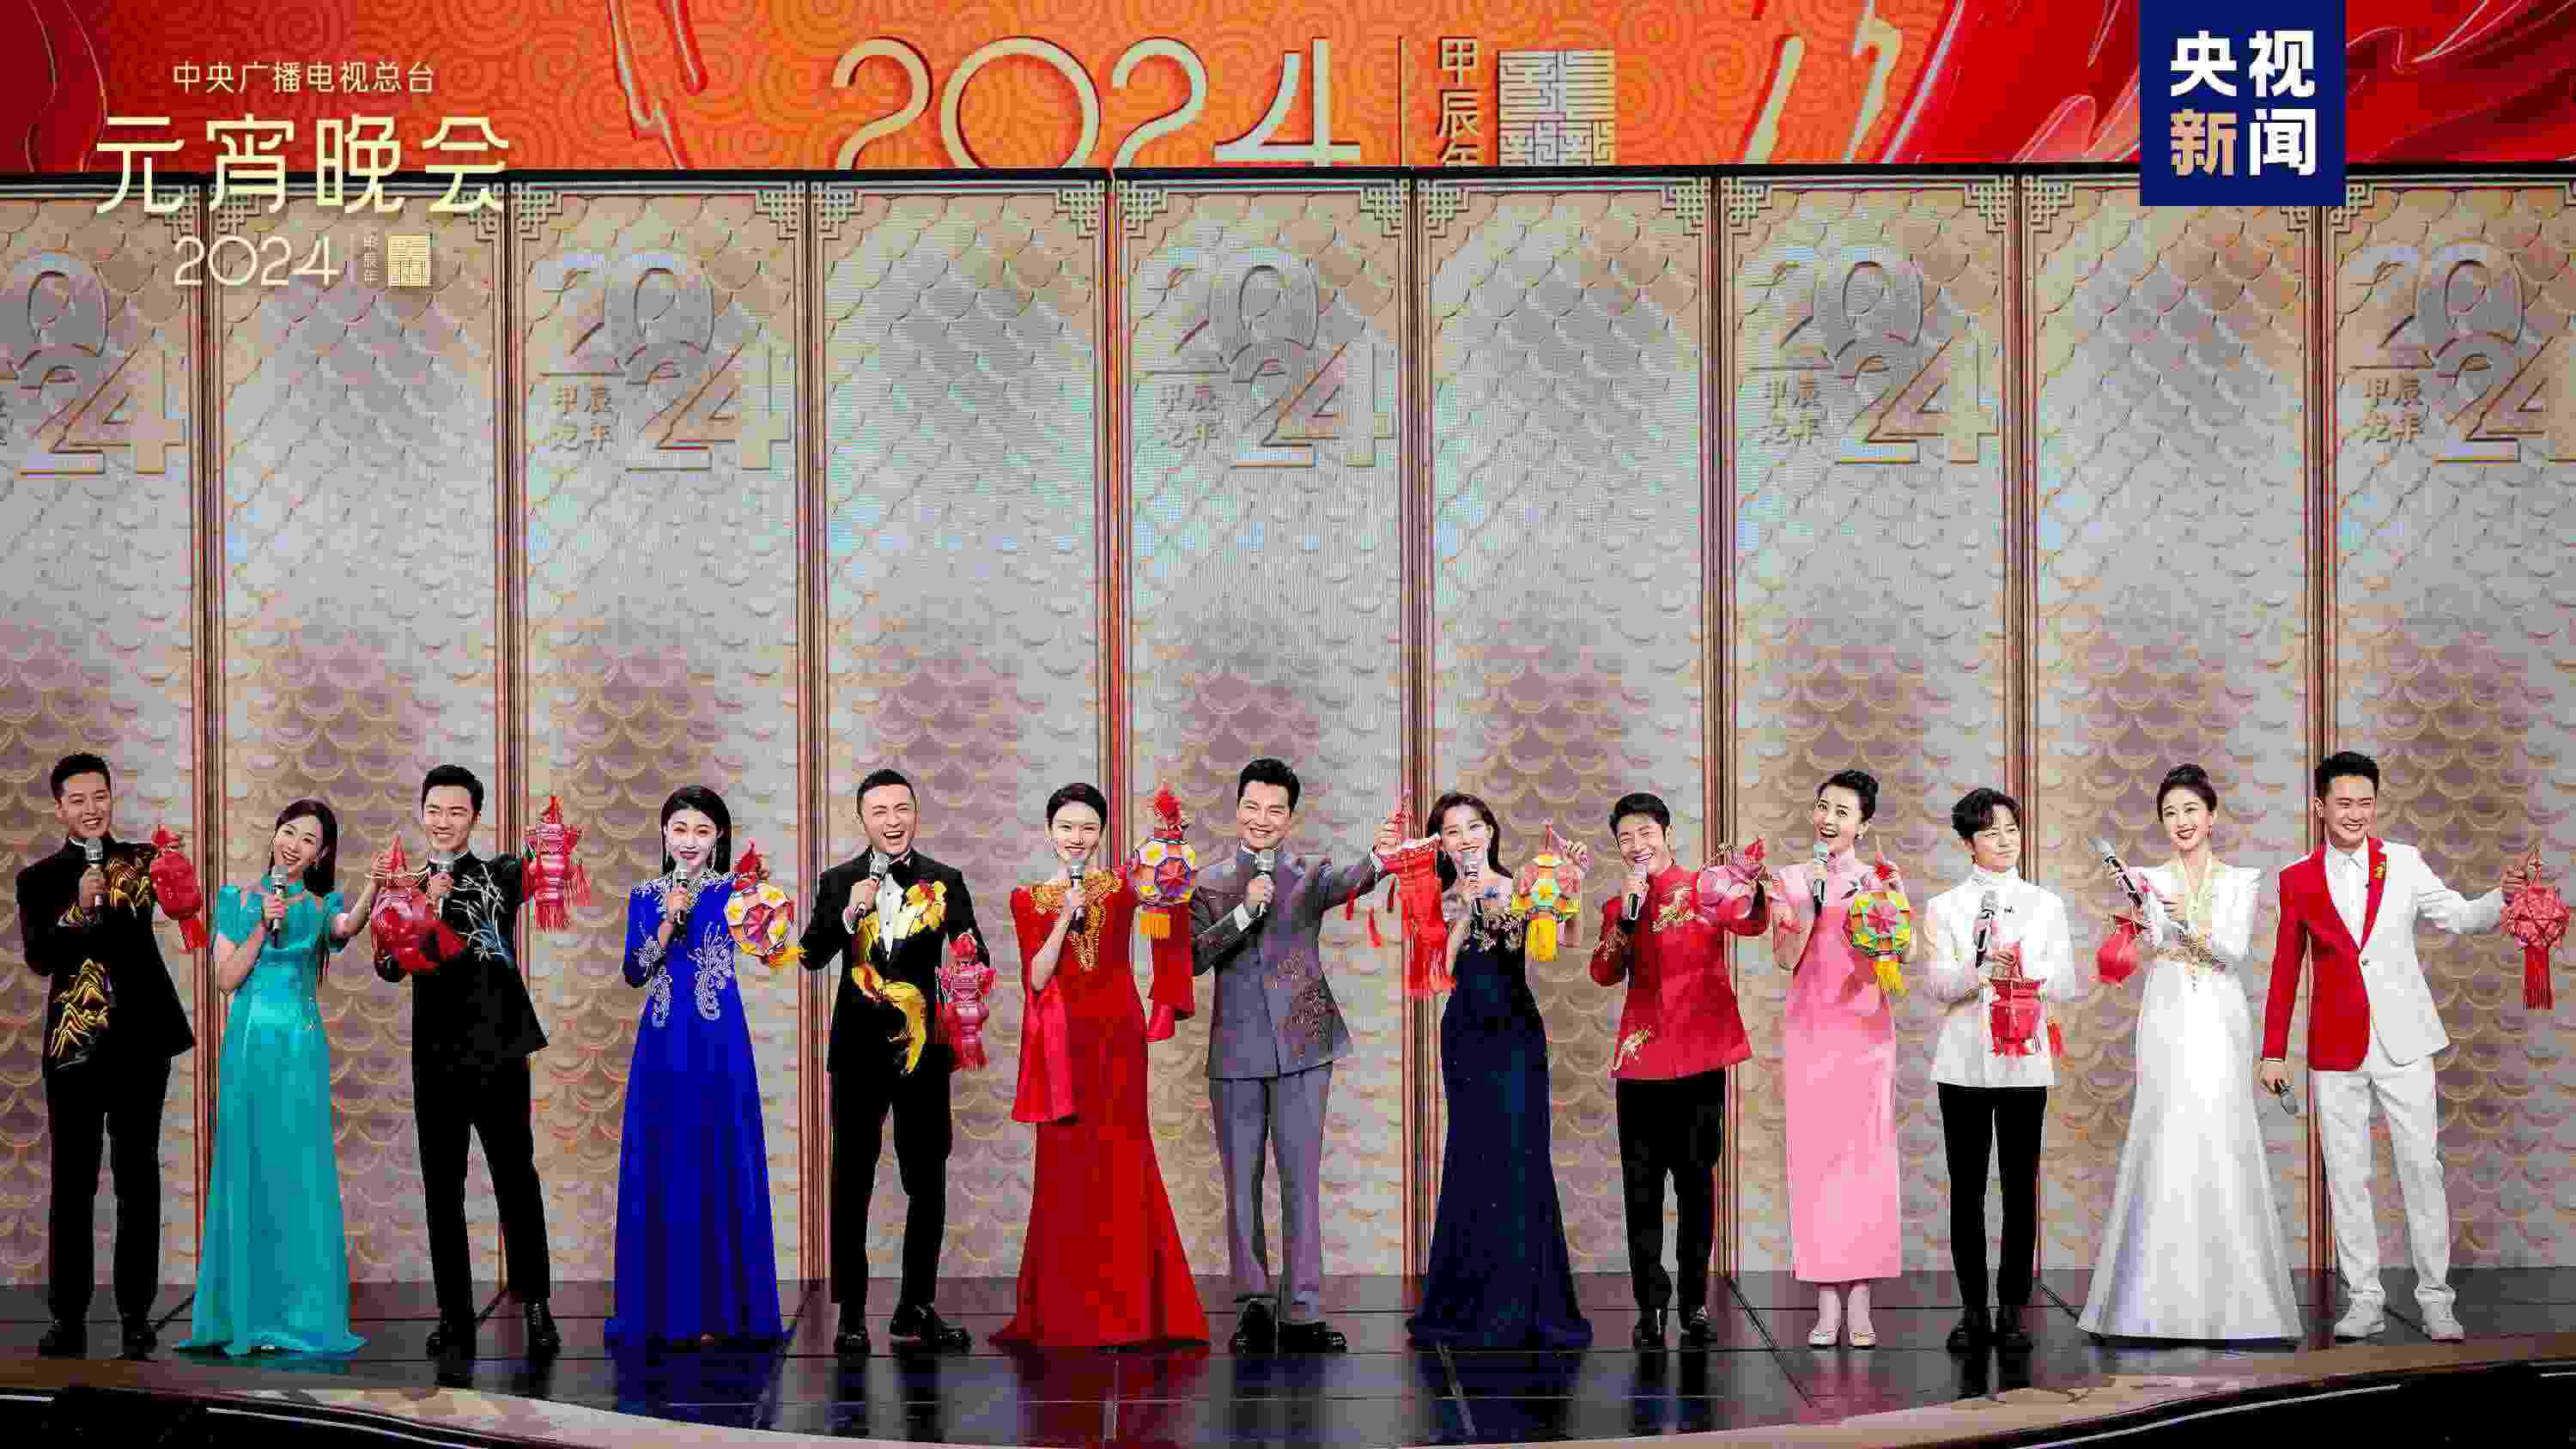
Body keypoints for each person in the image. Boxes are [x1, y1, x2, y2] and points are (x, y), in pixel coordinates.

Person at [2260, 750, 2535, 1343]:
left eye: (2365, 803)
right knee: (2347, 1175)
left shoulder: (2404, 863)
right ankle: (2365, 1299)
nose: (2355, 814)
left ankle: (2436, 1299)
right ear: (2319, 806)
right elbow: (2284, 971)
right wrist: (2273, 1050)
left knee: (2421, 1168)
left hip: (2405, 1040)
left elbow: (2460, 917)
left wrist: (2504, 896)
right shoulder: (2296, 878)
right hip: (2335, 1048)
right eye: (2343, 803)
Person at [2080, 765, 2300, 1342]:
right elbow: (2151, 946)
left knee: (2221, 1129)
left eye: (2190, 810)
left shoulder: (2241, 880)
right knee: (2166, 1129)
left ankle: (2240, 1305)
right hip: (2168, 1007)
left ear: (2212, 816)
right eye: (2170, 813)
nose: (2181, 821)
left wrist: (2183, 922)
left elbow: (2234, 950)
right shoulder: (2149, 877)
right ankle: (2149, 1304)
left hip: (2220, 1011)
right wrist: (2138, 924)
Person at [1189, 757, 1401, 1353]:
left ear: (1290, 818)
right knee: (1241, 1183)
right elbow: (1193, 957)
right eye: (1252, 807)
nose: (1262, 819)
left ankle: (1303, 1310)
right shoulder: (1208, 881)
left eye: (1275, 810)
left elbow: (1353, 879)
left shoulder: (1309, 875)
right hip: (1235, 1052)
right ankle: (1254, 1307)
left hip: (1305, 1048)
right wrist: (1242, 912)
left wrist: (1381, 857)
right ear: (1237, 809)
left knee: (1300, 1181)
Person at [992, 783, 1206, 1349]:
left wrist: (1169, 847)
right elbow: (1037, 977)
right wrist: (1065, 916)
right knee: (1066, 1171)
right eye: (1066, 827)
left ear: (1102, 833)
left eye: (1088, 827)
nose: (1077, 837)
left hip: (1118, 1040)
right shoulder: (1028, 899)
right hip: (1063, 1047)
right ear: (1049, 832)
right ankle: (1067, 1313)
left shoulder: (1122, 886)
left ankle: (1135, 1313)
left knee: (1122, 1160)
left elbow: (1167, 901)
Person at [796, 767, 982, 1355]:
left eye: (902, 809)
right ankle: (852, 1313)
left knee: (926, 1178)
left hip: (923, 1050)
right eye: (880, 811)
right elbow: (810, 955)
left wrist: (967, 969)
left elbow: (974, 956)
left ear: (915, 813)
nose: (893, 820)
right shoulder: (838, 880)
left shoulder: (947, 880)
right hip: (857, 1051)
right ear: (862, 819)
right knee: (852, 1179)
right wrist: (848, 914)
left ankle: (915, 1308)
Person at [374, 764, 558, 1358]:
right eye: (434, 810)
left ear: (475, 817)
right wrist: (420, 908)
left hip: (499, 1047)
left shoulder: (498, 874)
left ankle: (537, 1305)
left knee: (516, 1178)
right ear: (421, 813)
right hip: (436, 1055)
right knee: (442, 1188)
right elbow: (388, 967)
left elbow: (541, 866)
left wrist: (551, 839)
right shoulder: (403, 886)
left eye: (456, 811)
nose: (443, 821)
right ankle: (454, 1314)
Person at [15, 753, 195, 1359]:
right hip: (75, 1050)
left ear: (112, 798)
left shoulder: (141, 861)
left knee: (138, 1180)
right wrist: (79, 906)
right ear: (59, 807)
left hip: (141, 1043)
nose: (92, 809)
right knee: (73, 1184)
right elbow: (41, 957)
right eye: (78, 800)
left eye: (100, 797)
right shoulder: (39, 878)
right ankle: (68, 1318)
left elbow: (173, 916)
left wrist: (176, 876)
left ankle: (137, 1315)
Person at [182, 799, 374, 1356]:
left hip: (300, 1049)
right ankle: (246, 1313)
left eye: (308, 840)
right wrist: (262, 929)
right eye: (288, 832)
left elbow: (348, 927)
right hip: (248, 1049)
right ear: (274, 836)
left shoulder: (318, 907)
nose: (294, 845)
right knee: (249, 1166)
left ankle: (298, 1314)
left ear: (321, 855)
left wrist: (374, 886)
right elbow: (226, 979)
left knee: (298, 1171)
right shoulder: (237, 899)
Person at [1404, 792, 1594, 1349]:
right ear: (1441, 844)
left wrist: (1572, 887)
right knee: (1473, 1156)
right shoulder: (1437, 897)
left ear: (1490, 831)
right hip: (1466, 1033)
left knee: (1521, 1155)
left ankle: (1529, 1305)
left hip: (1516, 1034)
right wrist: (1465, 908)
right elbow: (1436, 970)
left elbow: (1566, 939)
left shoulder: (1522, 885)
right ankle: (1468, 1303)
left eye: (1473, 826)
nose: (1465, 838)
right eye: (1452, 831)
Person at [606, 786, 783, 1349]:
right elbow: (635, 971)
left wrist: (763, 906)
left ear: (718, 838)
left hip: (718, 1041)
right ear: (664, 834)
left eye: (702, 831)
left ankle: (725, 1311)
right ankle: (667, 1311)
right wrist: (667, 921)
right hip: (663, 1042)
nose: (689, 841)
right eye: (680, 829)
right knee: (668, 1158)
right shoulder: (644, 895)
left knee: (719, 1153)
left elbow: (772, 950)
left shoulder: (735, 891)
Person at [1588, 791, 1764, 1348]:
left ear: (1665, 832)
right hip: (1641, 1064)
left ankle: (1693, 1304)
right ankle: (1651, 1307)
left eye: (1645, 832)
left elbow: (1750, 923)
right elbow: (1603, 972)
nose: (1637, 844)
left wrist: (1751, 885)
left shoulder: (1705, 888)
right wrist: (1627, 915)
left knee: (1695, 1185)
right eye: (1625, 838)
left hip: (1700, 1057)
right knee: (1640, 1190)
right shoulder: (1619, 905)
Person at [1922, 786, 2086, 1353]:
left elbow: (2067, 982)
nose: (2005, 840)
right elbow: (1937, 986)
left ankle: (2013, 1309)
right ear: (1967, 843)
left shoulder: (2045, 904)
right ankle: (1972, 1309)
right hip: (1962, 1062)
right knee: (1966, 1189)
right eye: (1991, 832)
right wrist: (1979, 967)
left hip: (2025, 1059)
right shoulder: (1944, 907)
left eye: (2011, 829)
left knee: (2020, 1187)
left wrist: (2022, 965)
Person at [1765, 769, 1909, 1349]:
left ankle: (1863, 1302)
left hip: (1866, 1031)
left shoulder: (1879, 878)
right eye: (1823, 807)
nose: (1828, 819)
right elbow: (1783, 957)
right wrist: (1813, 906)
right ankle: (1826, 1302)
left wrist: (1894, 902)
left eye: (1842, 812)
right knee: (1817, 1162)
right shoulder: (1790, 879)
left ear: (1863, 825)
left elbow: (1904, 952)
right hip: (1811, 1030)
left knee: (1866, 1160)